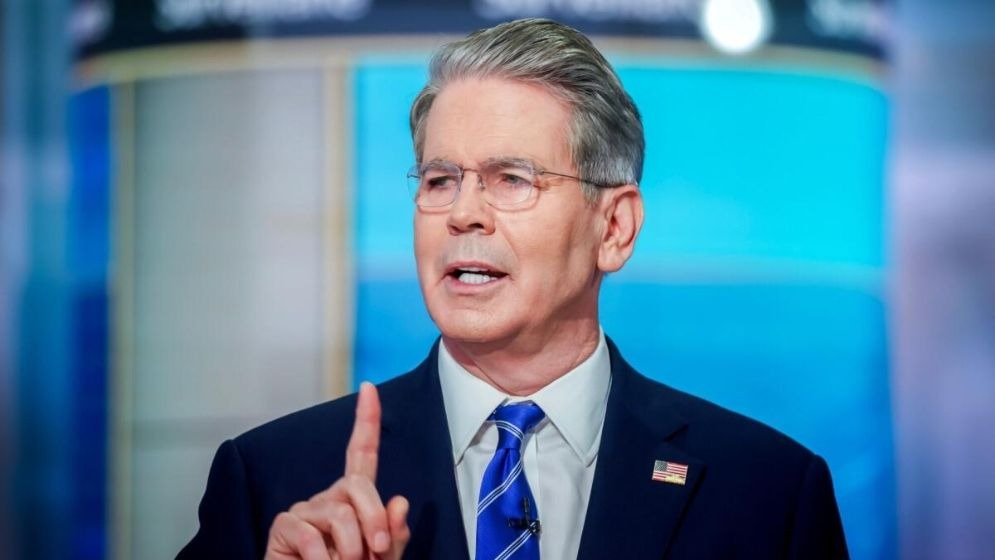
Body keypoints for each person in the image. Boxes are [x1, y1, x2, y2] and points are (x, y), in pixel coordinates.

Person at [179, 18, 848, 560]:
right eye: (440, 180)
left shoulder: (767, 491)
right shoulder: (274, 480)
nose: (463, 213)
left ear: (614, 228)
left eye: (511, 179)